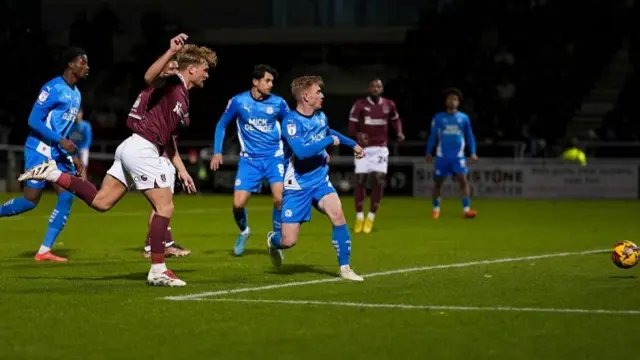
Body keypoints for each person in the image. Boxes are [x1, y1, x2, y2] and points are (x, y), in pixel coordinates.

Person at [18, 34, 216, 287]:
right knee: (165, 208)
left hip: (134, 147)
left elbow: (169, 140)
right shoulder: (173, 82)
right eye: (205, 69)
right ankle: (158, 270)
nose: (207, 75)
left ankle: (52, 174)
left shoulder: (183, 98)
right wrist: (169, 52)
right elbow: (148, 78)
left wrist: (182, 170)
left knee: (101, 202)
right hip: (143, 148)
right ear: (192, 68)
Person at [266, 75, 365, 281]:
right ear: (305, 96)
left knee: (338, 215)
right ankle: (272, 241)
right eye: (317, 92)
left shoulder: (320, 116)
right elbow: (301, 152)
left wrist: (352, 145)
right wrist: (328, 142)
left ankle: (345, 267)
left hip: (319, 181)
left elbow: (327, 131)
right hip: (297, 186)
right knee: (288, 241)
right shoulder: (291, 122)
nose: (322, 95)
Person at [0, 47, 89, 262]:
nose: (87, 67)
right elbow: (33, 120)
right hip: (39, 149)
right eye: (82, 62)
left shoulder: (77, 95)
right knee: (31, 200)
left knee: (67, 196)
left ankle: (44, 250)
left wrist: (72, 155)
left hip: (57, 153)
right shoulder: (53, 88)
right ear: (70, 64)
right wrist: (60, 141)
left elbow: (63, 129)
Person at [210, 64, 290, 256]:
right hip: (249, 161)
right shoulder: (238, 102)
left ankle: (276, 240)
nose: (271, 85)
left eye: (272, 81)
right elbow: (222, 124)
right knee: (237, 205)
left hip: (274, 157)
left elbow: (291, 125)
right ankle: (245, 231)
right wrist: (217, 151)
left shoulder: (279, 103)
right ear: (255, 81)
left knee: (279, 198)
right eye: (267, 80)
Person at [141, 58, 191, 258]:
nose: (174, 70)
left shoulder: (177, 94)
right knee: (163, 203)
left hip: (163, 150)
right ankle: (157, 247)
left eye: (177, 68)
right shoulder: (160, 90)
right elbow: (149, 78)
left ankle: (156, 243)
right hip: (156, 151)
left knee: (162, 203)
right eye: (170, 67)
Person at [348, 78, 404, 234]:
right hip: (362, 149)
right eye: (373, 86)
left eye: (378, 86)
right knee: (360, 179)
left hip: (380, 148)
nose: (375, 88)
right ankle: (359, 216)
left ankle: (370, 217)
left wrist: (399, 132)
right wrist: (358, 134)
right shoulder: (359, 105)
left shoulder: (389, 104)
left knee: (378, 180)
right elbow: (351, 127)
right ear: (369, 89)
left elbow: (396, 120)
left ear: (382, 89)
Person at [425, 88, 478, 219]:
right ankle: (436, 208)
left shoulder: (464, 118)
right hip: (442, 156)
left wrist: (473, 152)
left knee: (463, 181)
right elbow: (432, 136)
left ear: (458, 102)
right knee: (438, 183)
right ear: (445, 101)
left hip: (458, 157)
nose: (452, 101)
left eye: (455, 99)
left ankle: (466, 210)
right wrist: (428, 152)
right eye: (450, 98)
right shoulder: (438, 118)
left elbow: (470, 136)